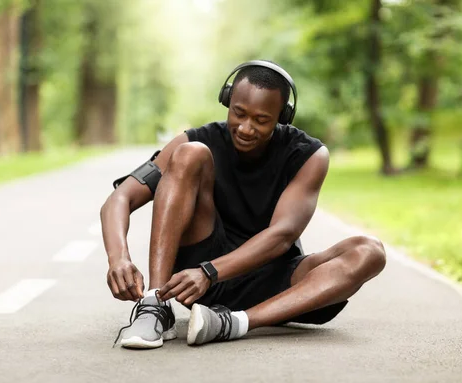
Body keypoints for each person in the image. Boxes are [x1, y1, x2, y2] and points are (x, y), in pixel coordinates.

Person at [101, 60, 386, 349]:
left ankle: (233, 324)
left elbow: (282, 236)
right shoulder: (197, 140)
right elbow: (119, 198)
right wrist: (119, 258)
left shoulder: (308, 155)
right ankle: (155, 306)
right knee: (190, 154)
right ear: (227, 100)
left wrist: (210, 272)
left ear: (282, 116)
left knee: (369, 251)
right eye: (239, 114)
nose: (246, 128)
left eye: (262, 120)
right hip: (198, 270)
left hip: (272, 281)